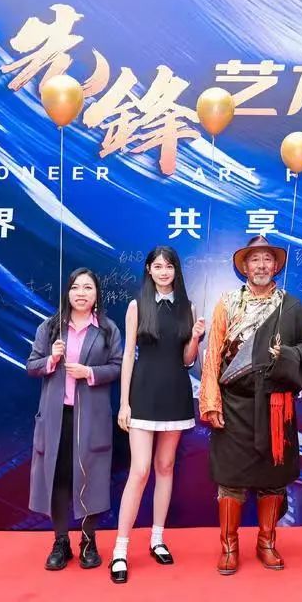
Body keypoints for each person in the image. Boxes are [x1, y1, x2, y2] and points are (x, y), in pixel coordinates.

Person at [199, 235, 302, 575]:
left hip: (274, 406)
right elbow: (213, 355)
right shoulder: (227, 304)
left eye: (268, 259)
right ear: (244, 266)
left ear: (276, 266)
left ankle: (267, 542)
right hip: (234, 404)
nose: (262, 265)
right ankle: (229, 546)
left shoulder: (291, 307)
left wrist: (286, 355)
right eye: (255, 259)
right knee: (230, 479)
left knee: (273, 478)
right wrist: (211, 401)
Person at [109, 246, 206, 583]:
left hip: (176, 393)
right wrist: (124, 403)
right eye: (158, 266)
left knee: (165, 467)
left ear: (176, 270)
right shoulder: (137, 305)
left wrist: (195, 337)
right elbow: (128, 357)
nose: (164, 272)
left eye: (169, 266)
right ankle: (120, 549)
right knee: (140, 470)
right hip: (143, 395)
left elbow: (187, 360)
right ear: (149, 270)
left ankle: (157, 538)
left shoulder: (188, 307)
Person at [26, 268, 123, 571]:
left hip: (92, 418)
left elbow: (118, 366)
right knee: (58, 478)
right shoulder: (50, 328)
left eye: (88, 288)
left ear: (97, 294)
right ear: (67, 292)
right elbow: (31, 366)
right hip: (57, 418)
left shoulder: (107, 329)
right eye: (76, 288)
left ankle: (88, 540)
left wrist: (89, 372)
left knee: (92, 476)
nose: (81, 293)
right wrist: (51, 360)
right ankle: (60, 541)